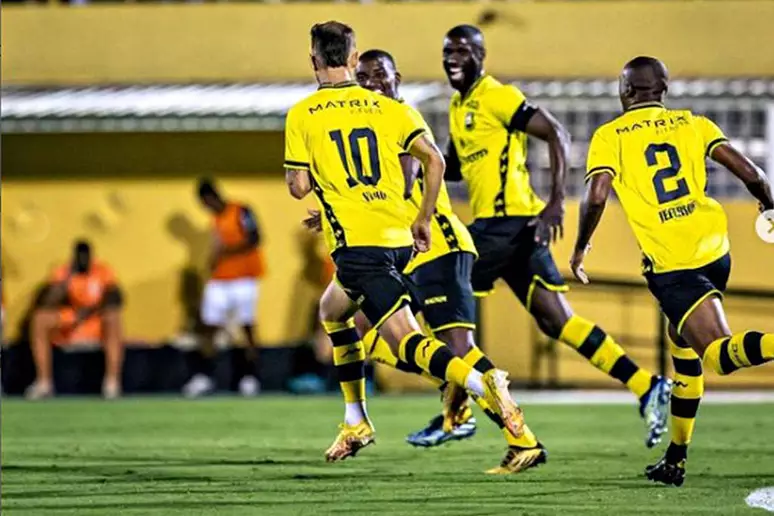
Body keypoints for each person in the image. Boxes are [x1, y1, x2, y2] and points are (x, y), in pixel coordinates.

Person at [285, 21, 525, 465]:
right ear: (354, 59)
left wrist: (316, 177)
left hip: (359, 246)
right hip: (400, 238)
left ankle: (479, 382)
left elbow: (298, 186)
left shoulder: (303, 113)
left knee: (404, 340)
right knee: (332, 311)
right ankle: (355, 418)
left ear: (315, 61)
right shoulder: (391, 110)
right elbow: (434, 160)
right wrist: (422, 218)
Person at [439, 24, 672, 456]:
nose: (452, 58)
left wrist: (556, 202)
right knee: (556, 321)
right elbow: (450, 167)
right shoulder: (460, 105)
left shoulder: (497, 96)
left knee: (436, 290)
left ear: (480, 55)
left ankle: (462, 410)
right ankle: (646, 384)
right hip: (514, 232)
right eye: (447, 52)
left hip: (508, 224)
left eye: (462, 51)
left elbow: (557, 133)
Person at [572, 56, 774, 487]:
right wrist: (769, 205)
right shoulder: (693, 124)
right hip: (715, 249)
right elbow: (752, 173)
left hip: (673, 263)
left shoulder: (609, 136)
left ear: (624, 92)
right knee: (682, 347)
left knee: (717, 356)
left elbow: (595, 196)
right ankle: (675, 458)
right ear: (663, 89)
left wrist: (581, 245)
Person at [183, 178, 266, 397]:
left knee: (246, 327)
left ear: (210, 197)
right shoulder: (216, 220)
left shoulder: (241, 210)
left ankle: (251, 377)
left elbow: (255, 237)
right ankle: (205, 376)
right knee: (209, 325)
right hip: (220, 278)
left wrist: (225, 251)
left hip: (244, 277)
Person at [26, 240, 124, 399]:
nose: (83, 260)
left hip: (94, 320)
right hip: (71, 319)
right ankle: (43, 382)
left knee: (113, 317)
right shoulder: (64, 272)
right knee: (40, 319)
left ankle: (112, 383)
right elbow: (47, 302)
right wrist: (66, 281)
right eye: (80, 257)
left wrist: (91, 311)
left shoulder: (102, 271)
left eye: (86, 256)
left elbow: (116, 297)